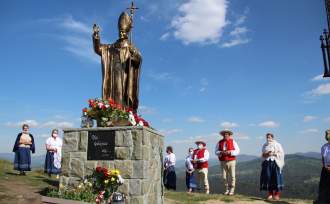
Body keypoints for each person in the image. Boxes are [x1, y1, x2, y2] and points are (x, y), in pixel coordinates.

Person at [260, 133, 284, 201]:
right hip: (267, 163)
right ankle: (270, 194)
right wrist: (267, 154)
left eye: (269, 137)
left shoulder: (278, 144)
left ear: (272, 138)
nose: (268, 139)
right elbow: (262, 154)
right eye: (267, 137)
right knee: (268, 178)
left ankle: (276, 194)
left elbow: (281, 153)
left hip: (275, 163)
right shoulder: (265, 145)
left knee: (276, 177)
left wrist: (273, 153)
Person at [215, 130, 240, 196]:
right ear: (222, 135)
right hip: (223, 161)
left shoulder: (233, 141)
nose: (225, 135)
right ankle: (226, 189)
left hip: (231, 161)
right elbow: (216, 151)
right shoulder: (219, 142)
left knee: (232, 176)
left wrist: (230, 152)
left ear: (229, 135)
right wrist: (221, 152)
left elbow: (237, 150)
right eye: (224, 134)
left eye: (227, 134)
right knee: (224, 176)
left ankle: (232, 190)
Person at [317, 130, 330, 203]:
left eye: (328, 134)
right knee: (323, 186)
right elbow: (323, 158)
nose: (327, 136)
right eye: (326, 134)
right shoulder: (324, 147)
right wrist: (325, 166)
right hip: (325, 169)